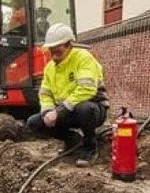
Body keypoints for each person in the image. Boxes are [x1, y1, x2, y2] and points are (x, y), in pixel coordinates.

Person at [27, 23, 108, 166]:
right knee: (34, 122)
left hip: (93, 108)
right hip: (66, 111)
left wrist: (59, 111)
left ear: (69, 45)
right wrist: (47, 112)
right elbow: (45, 94)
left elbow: (87, 89)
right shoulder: (49, 68)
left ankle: (90, 146)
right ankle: (72, 140)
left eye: (57, 51)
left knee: (85, 109)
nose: (53, 55)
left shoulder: (83, 58)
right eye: (51, 51)